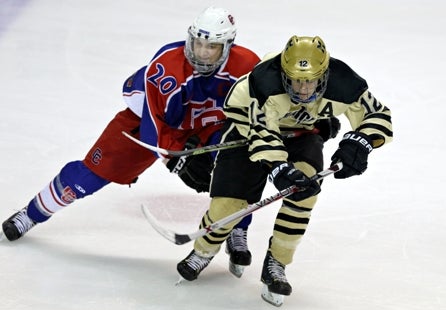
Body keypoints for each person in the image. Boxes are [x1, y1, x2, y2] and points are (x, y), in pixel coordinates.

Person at [1, 7, 260, 277]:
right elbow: (153, 128)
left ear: (228, 45)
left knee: (239, 165)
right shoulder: (166, 67)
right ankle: (31, 213)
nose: (203, 52)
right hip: (148, 123)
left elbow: (256, 115)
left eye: (212, 46)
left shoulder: (246, 67)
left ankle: (237, 229)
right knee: (90, 174)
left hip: (208, 127)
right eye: (199, 43)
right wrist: (177, 161)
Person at [176, 35, 393, 306]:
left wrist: (361, 141)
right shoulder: (262, 83)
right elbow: (262, 132)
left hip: (303, 135)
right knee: (229, 203)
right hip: (249, 133)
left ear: (324, 74)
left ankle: (277, 262)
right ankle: (205, 249)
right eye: (296, 80)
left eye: (310, 80)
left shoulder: (344, 83)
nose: (303, 89)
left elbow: (378, 115)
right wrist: (278, 168)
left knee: (303, 196)